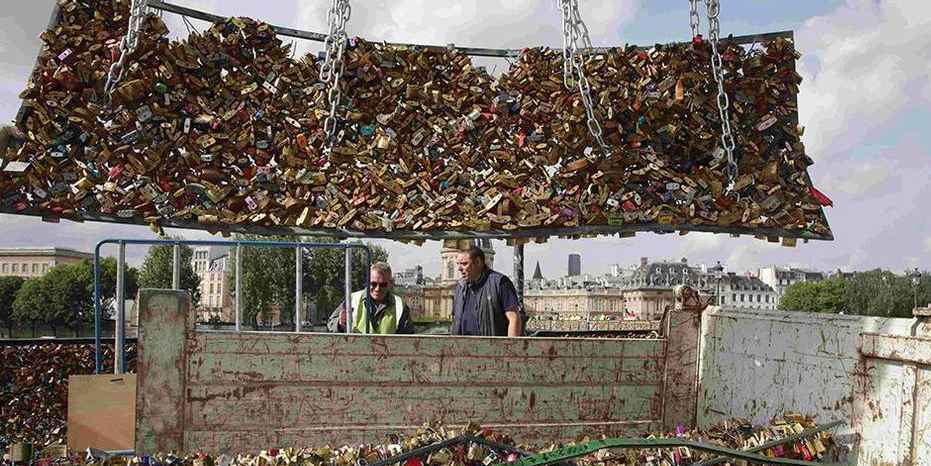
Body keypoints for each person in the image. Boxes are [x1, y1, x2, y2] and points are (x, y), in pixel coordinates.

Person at [450, 246, 523, 337]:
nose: (459, 269)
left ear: (478, 262)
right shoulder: (459, 287)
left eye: (464, 264)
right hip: (463, 348)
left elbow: (514, 319)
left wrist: (510, 347)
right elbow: (455, 319)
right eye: (458, 264)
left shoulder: (500, 283)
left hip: (492, 348)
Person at [327, 262, 414, 334]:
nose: (377, 288)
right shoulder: (352, 299)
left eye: (383, 284)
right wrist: (339, 324)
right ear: (367, 281)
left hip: (387, 354)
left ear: (390, 283)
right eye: (374, 284)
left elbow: (408, 339)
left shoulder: (400, 305)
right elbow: (331, 324)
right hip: (357, 353)